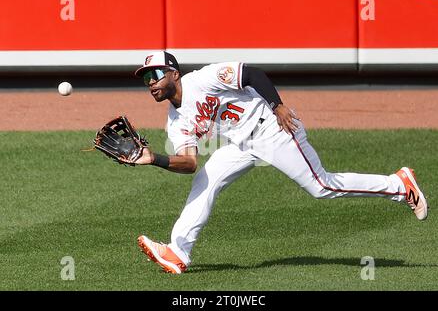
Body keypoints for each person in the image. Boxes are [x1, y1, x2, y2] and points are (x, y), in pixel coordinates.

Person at [132, 51, 428, 274]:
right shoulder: (175, 120)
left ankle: (399, 185)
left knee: (322, 186)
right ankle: (178, 252)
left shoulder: (202, 79)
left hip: (272, 128)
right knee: (205, 180)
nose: (150, 84)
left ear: (173, 73)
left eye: (154, 75)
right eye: (145, 79)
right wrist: (153, 158)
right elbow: (189, 163)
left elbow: (251, 73)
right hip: (242, 143)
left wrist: (278, 106)